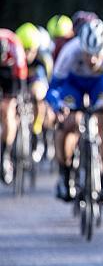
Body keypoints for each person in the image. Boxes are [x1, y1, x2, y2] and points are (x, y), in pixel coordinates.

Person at [46, 19, 103, 205]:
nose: (91, 59)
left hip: (99, 84)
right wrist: (57, 107)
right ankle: (65, 173)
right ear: (80, 46)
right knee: (68, 122)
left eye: (96, 54)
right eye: (87, 53)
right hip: (73, 84)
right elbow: (53, 88)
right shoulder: (70, 51)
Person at [15, 22, 54, 162]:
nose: (26, 54)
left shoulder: (43, 59)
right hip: (19, 82)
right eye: (23, 49)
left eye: (29, 50)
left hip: (36, 81)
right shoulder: (14, 54)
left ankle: (37, 132)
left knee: (38, 94)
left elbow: (49, 81)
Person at [0, 29, 28, 185]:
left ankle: (5, 154)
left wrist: (19, 97)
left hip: (11, 72)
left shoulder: (14, 45)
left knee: (7, 109)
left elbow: (21, 74)